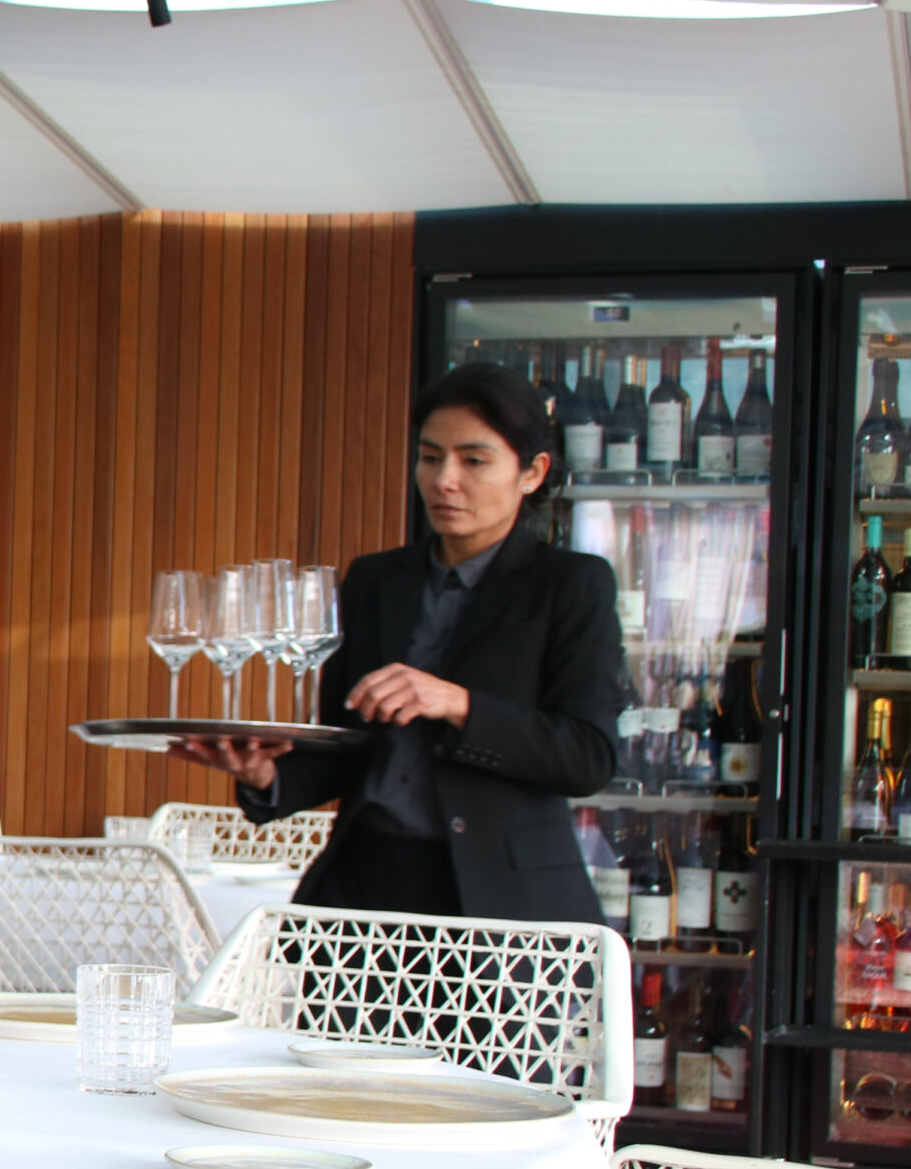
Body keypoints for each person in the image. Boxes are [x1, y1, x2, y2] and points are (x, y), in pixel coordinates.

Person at [174, 361, 621, 922]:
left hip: (504, 905)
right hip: (364, 884)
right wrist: (266, 777)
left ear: (532, 472)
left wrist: (458, 704)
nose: (444, 480)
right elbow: (347, 747)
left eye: (473, 460)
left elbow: (588, 758)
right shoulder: (375, 579)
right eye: (430, 457)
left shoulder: (570, 584)